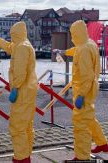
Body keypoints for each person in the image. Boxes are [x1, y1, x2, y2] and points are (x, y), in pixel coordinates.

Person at [54, 20, 108, 160]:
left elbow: (86, 75)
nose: (72, 37)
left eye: (73, 34)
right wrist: (64, 52)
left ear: (76, 33)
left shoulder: (84, 49)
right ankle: (103, 143)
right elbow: (77, 49)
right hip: (90, 88)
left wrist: (81, 95)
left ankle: (82, 156)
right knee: (89, 118)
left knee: (81, 125)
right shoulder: (89, 43)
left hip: (84, 90)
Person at [0, 22, 37, 163]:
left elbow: (20, 71)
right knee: (27, 125)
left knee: (17, 126)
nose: (11, 38)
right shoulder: (23, 44)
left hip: (22, 90)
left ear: (15, 34)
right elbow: (10, 47)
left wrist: (15, 88)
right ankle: (26, 155)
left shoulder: (22, 47)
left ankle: (21, 158)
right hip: (29, 89)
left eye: (12, 35)